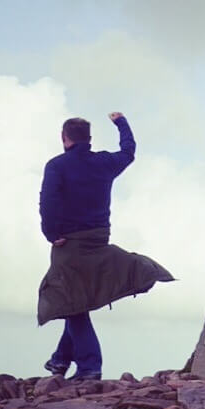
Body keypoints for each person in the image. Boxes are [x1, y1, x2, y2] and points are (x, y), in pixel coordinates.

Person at [37, 112, 173, 380]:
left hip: (69, 244)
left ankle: (90, 366)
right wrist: (121, 122)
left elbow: (48, 202)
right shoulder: (104, 163)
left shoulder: (56, 166)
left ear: (64, 139)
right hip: (99, 240)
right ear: (89, 139)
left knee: (70, 302)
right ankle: (60, 360)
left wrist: (51, 233)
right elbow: (129, 151)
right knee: (74, 298)